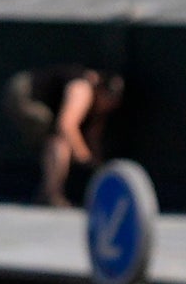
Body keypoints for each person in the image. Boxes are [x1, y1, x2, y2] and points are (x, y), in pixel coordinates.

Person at [10, 62, 124, 205]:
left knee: (56, 139)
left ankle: (47, 193)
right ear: (100, 89)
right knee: (58, 141)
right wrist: (84, 157)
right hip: (24, 92)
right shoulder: (82, 89)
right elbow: (66, 126)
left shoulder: (99, 110)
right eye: (109, 97)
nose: (110, 104)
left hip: (40, 101)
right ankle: (51, 195)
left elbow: (93, 136)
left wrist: (99, 166)